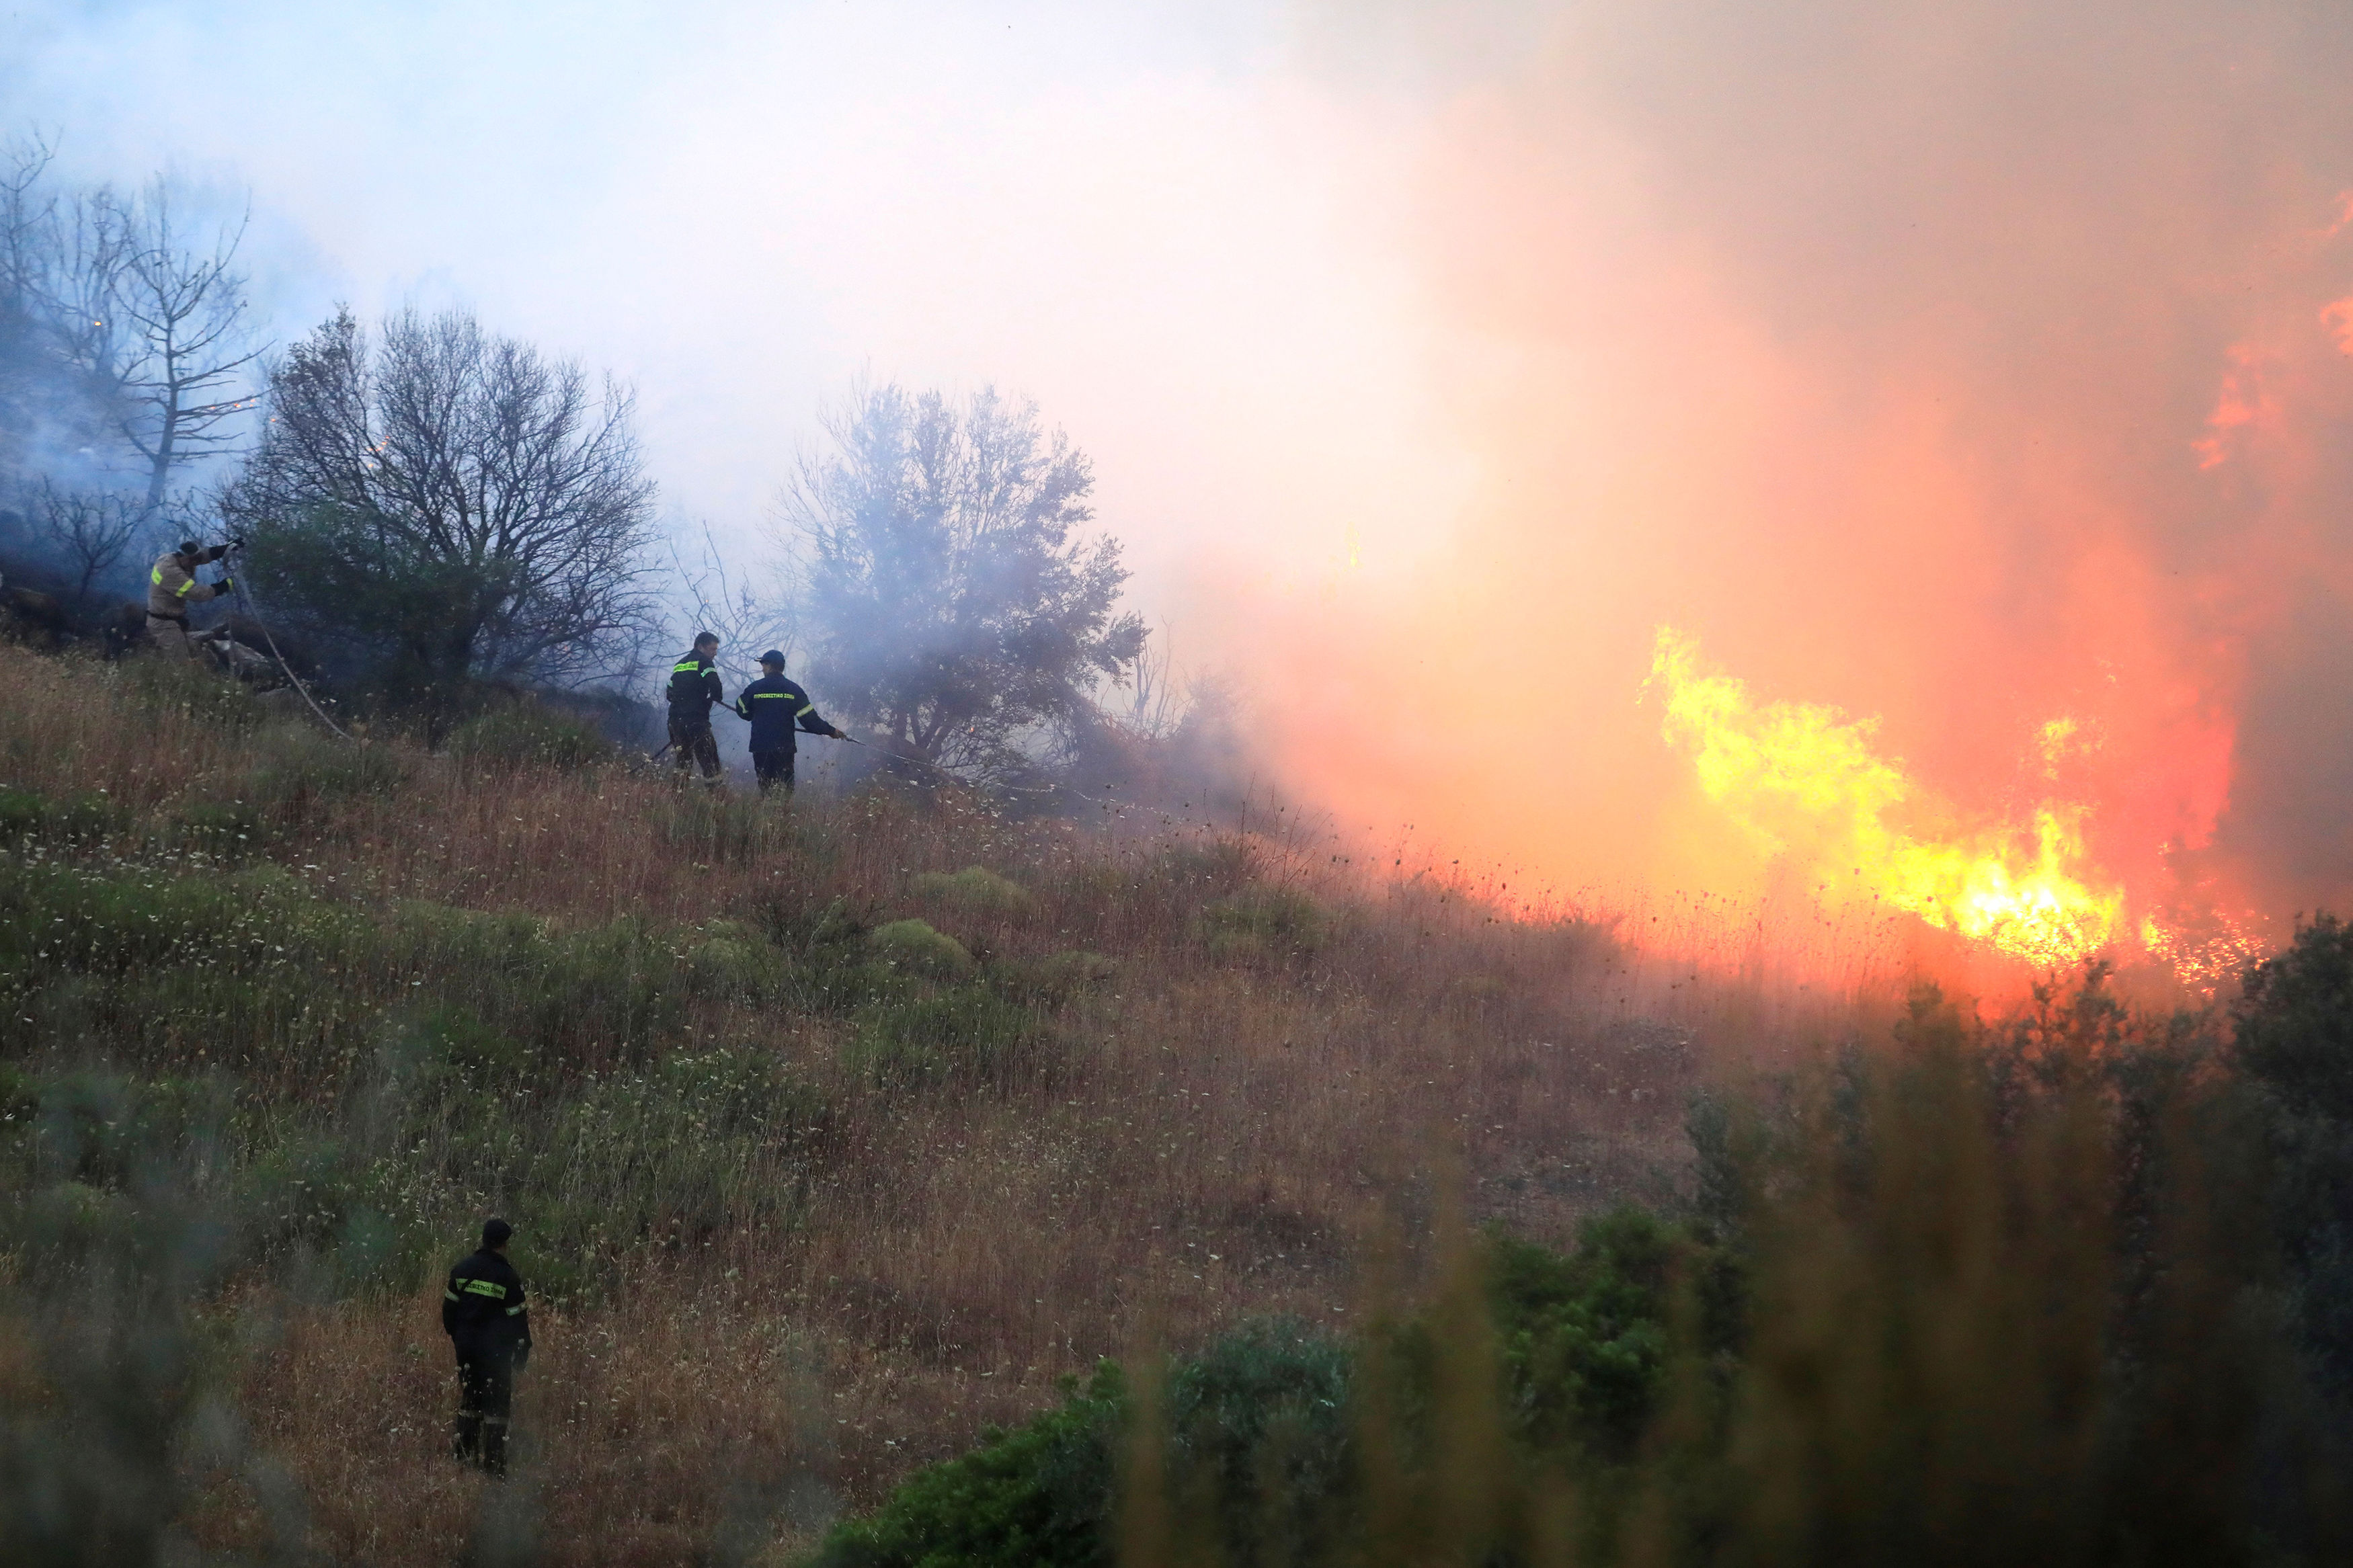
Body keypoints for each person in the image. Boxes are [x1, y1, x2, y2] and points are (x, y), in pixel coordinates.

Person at [442, 1216, 532, 1477]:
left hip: (467, 1348)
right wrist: (522, 1352)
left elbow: (449, 1311)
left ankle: (464, 1458)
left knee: (470, 1400)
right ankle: (493, 1466)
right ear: (504, 1244)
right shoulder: (508, 1277)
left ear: (483, 1240)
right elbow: (519, 1322)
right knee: (497, 1408)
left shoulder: (462, 1269)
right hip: (496, 1353)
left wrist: (459, 1338)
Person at [734, 649, 845, 794]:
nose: (762, 669)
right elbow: (810, 721)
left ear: (768, 665)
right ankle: (783, 814)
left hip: (761, 747)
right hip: (784, 747)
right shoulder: (794, 690)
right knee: (785, 789)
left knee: (766, 788)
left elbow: (741, 709)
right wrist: (831, 731)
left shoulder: (755, 688)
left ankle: (767, 815)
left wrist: (752, 715)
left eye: (763, 665)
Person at [666, 632, 737, 786]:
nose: (715, 653)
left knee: (682, 762)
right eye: (712, 649)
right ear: (700, 647)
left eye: (716, 650)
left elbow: (669, 693)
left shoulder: (680, 664)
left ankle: (677, 799)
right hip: (696, 721)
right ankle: (717, 801)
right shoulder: (704, 662)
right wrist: (709, 700)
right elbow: (716, 688)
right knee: (710, 761)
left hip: (675, 721)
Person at [146, 540, 233, 662]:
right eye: (193, 560)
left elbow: (202, 556)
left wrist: (226, 548)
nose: (195, 563)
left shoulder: (177, 559)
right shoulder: (170, 571)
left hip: (174, 620)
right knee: (180, 666)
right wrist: (220, 588)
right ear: (184, 557)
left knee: (195, 655)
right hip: (164, 625)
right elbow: (196, 593)